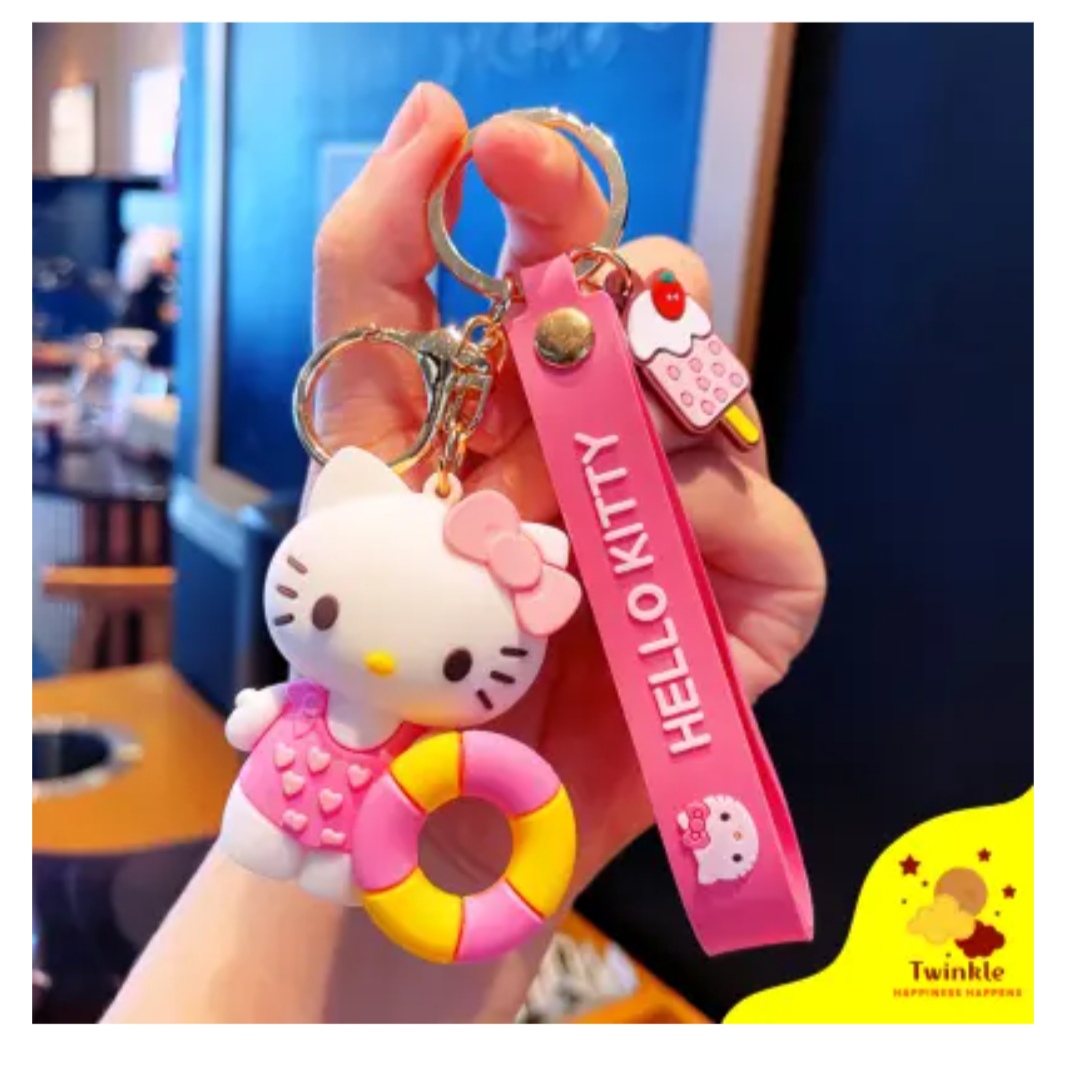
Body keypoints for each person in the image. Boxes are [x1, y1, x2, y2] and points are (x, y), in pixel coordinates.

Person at [104, 84, 826, 1024]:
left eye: (452, 662)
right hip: (322, 824)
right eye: (330, 611)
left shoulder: (469, 715)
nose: (375, 655)